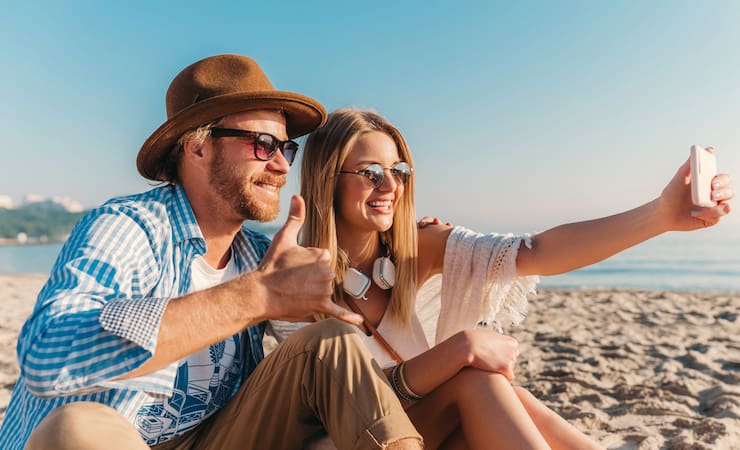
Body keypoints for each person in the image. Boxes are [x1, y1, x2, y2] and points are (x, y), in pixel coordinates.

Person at [0, 56, 424, 450]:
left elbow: (340, 378)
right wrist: (254, 297)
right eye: (263, 144)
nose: (281, 165)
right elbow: (45, 355)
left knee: (328, 343)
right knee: (75, 425)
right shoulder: (129, 228)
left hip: (214, 439)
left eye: (285, 148)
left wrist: (399, 248)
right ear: (198, 146)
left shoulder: (260, 256)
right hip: (115, 440)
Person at [296, 108, 735, 449]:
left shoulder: (413, 250)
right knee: (475, 380)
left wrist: (661, 215)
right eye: (371, 173)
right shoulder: (292, 278)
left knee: (504, 395)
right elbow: (325, 417)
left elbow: (539, 251)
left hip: (423, 432)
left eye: (399, 171)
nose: (391, 186)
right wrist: (458, 351)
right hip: (353, 442)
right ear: (327, 179)